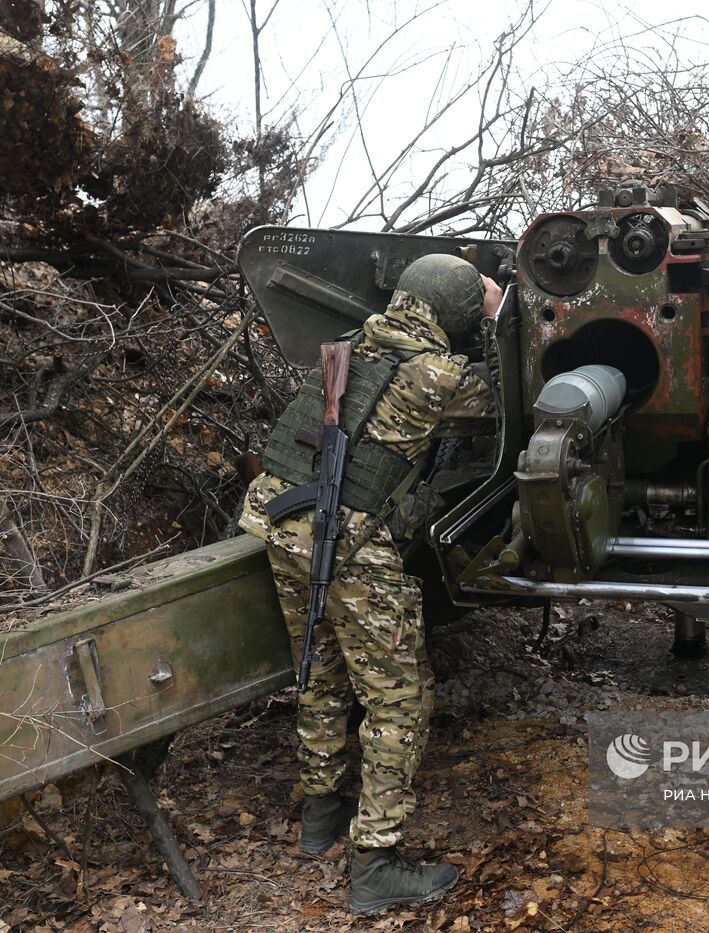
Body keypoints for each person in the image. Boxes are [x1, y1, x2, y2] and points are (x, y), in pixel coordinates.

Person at [239, 254, 501, 916]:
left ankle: (321, 819)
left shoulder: (344, 348)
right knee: (401, 701)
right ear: (455, 315)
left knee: (322, 673)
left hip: (278, 524)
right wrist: (499, 321)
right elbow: (506, 398)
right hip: (345, 542)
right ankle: (374, 863)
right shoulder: (436, 376)